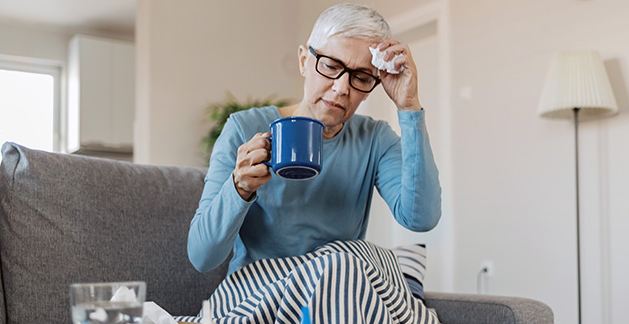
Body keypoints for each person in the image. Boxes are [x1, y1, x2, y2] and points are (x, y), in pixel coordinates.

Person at [187, 3, 441, 278]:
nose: (342, 88)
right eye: (331, 66)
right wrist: (239, 187)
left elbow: (421, 219)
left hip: (336, 295)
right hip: (261, 294)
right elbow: (202, 257)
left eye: (361, 77)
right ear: (303, 61)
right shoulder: (243, 128)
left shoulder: (376, 139)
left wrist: (409, 106)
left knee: (372, 263)